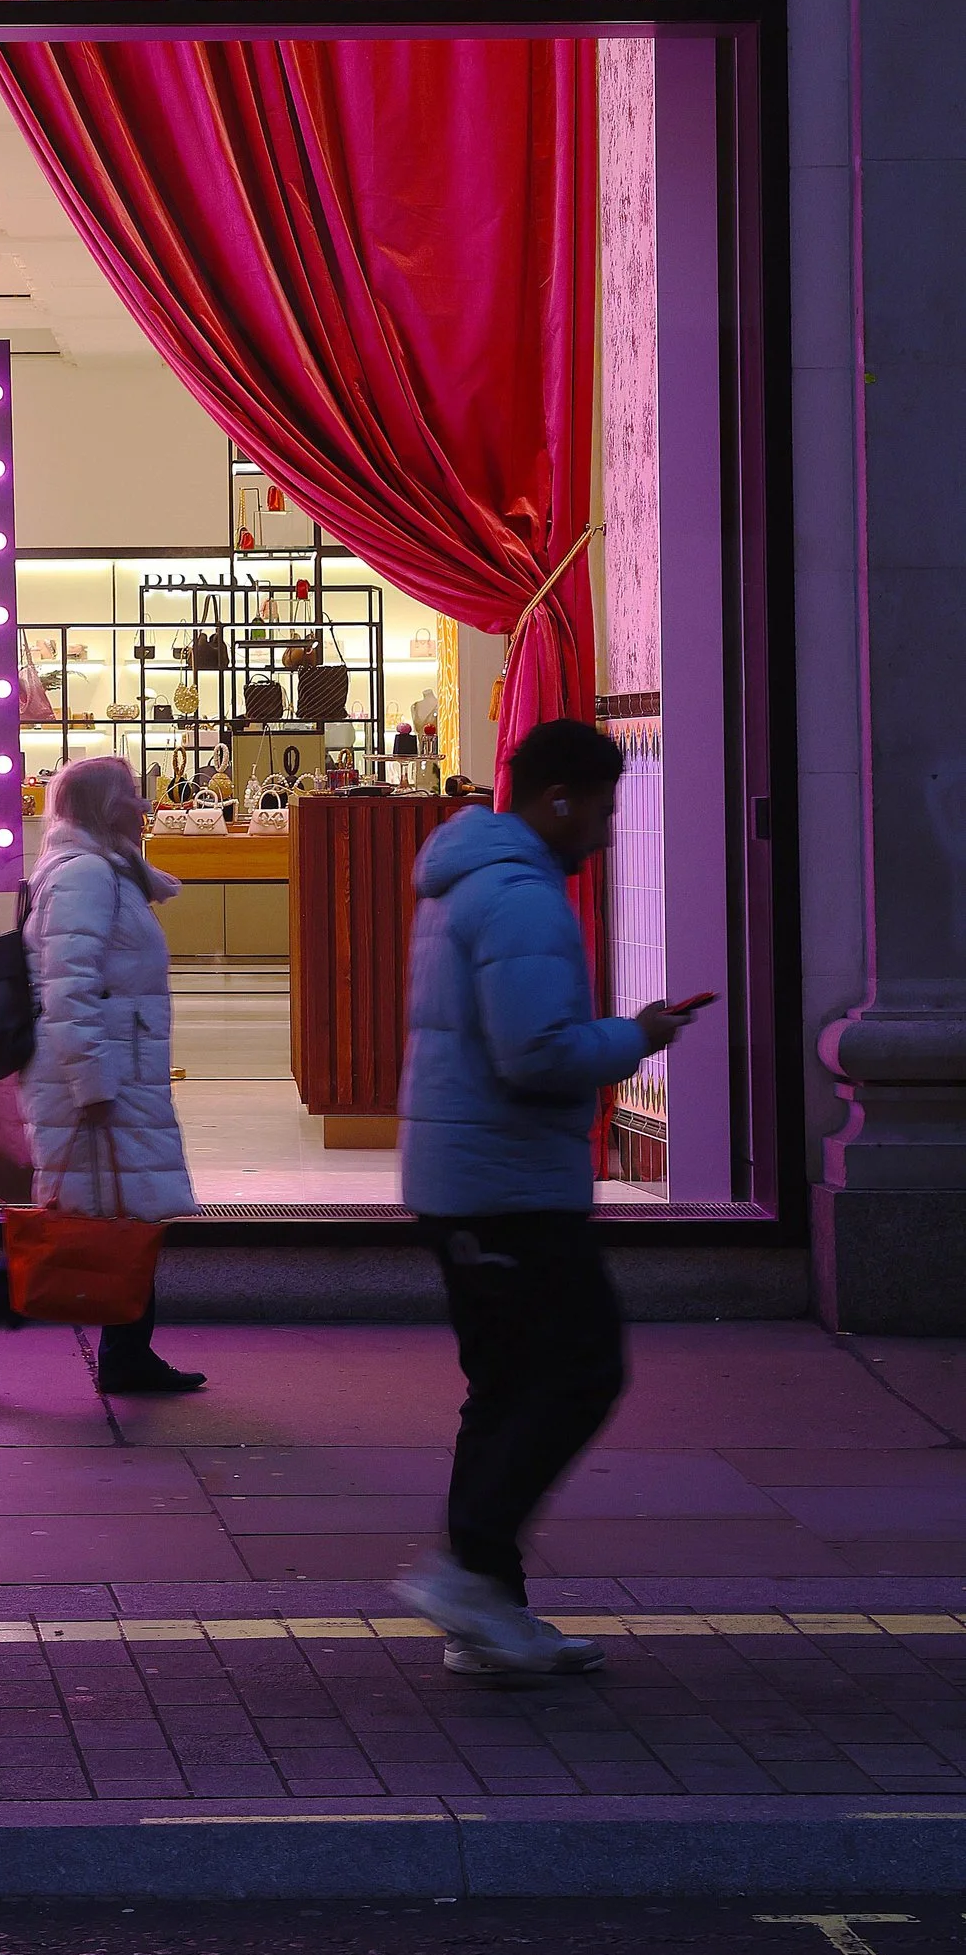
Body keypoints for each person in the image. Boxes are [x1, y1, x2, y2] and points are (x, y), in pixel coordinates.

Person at [394, 716, 714, 1681]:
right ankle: (469, 1574)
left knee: (504, 1387)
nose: (610, 832)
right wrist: (635, 1037)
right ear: (559, 798)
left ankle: (486, 1610)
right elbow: (533, 1052)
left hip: (468, 1179)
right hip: (508, 1185)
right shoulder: (524, 900)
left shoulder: (466, 882)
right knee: (579, 1371)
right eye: (605, 808)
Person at [0, 752, 205, 1398]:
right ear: (105, 809)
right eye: (132, 799)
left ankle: (125, 1351)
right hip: (96, 1074)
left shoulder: (99, 870)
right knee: (103, 1217)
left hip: (117, 1067)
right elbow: (70, 989)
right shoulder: (87, 875)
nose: (143, 812)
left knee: (124, 1211)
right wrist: (94, 1083)